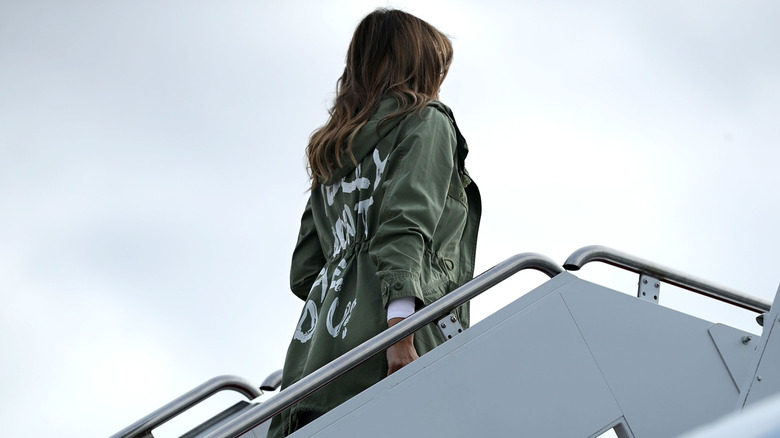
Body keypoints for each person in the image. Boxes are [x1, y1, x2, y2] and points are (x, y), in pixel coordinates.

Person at [267, 8, 481, 437]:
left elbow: (306, 271)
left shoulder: (334, 151)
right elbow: (405, 227)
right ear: (418, 63)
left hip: (317, 365)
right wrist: (400, 338)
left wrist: (348, 280)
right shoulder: (426, 121)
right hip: (390, 351)